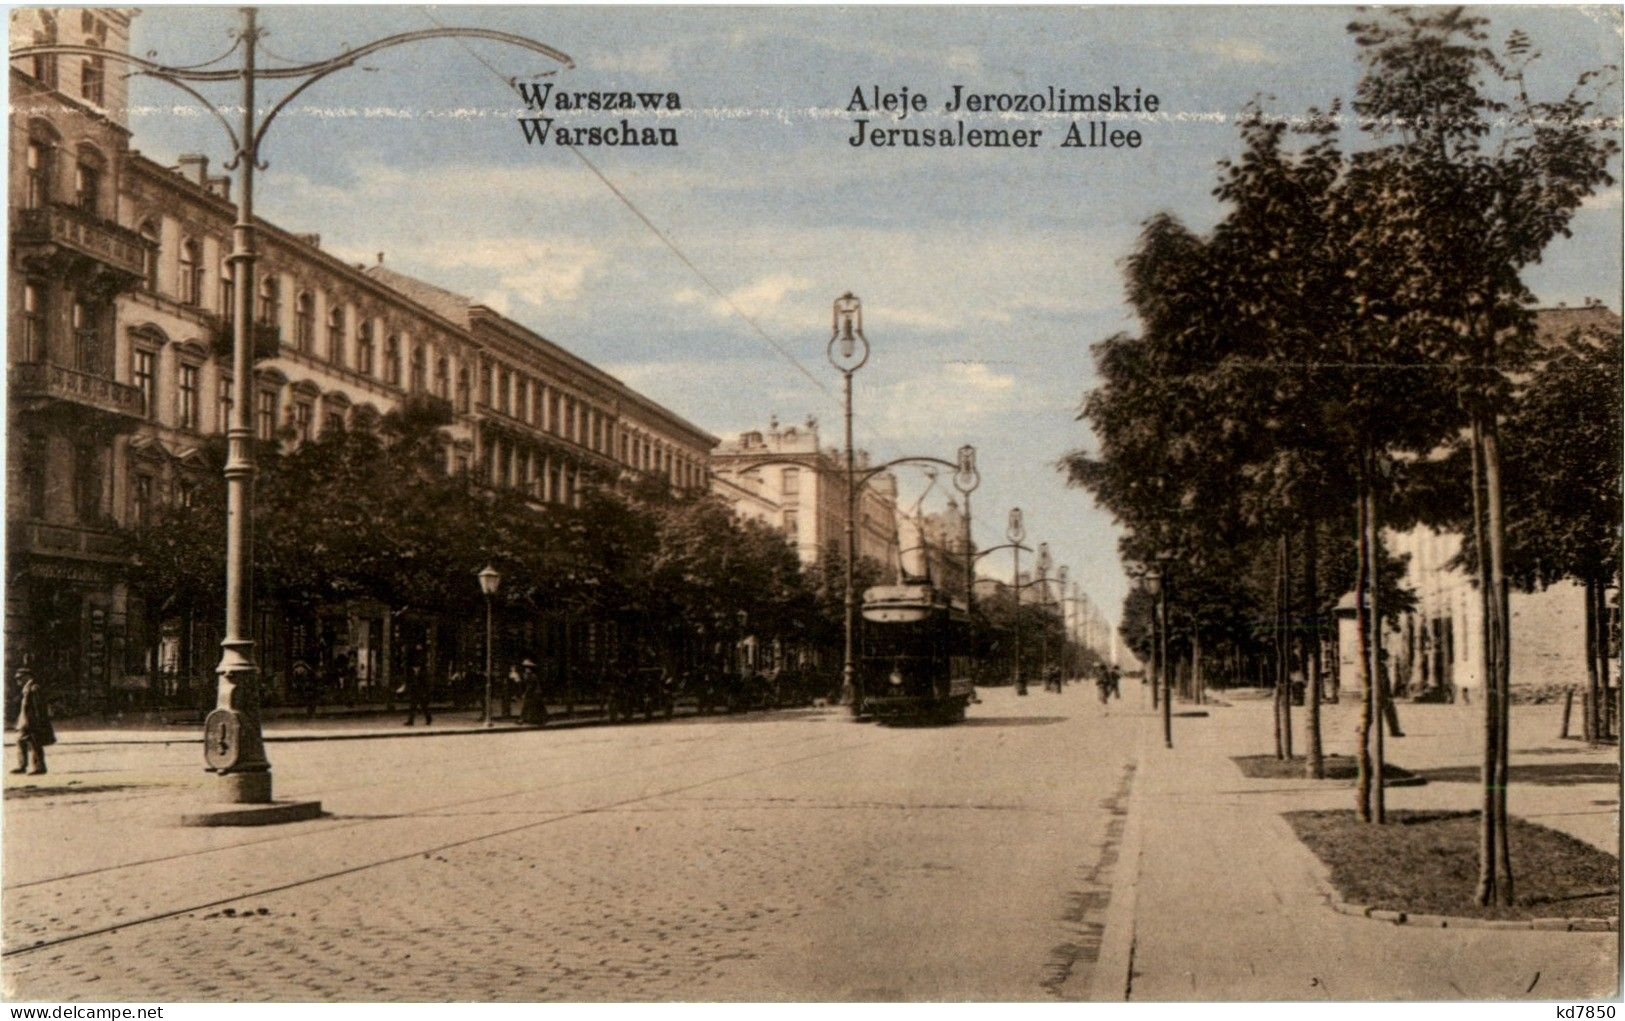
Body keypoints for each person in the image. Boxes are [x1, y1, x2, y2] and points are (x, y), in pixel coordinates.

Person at [12, 668, 53, 775]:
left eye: (20, 678)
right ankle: (22, 766)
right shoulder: (26, 688)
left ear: (27, 677)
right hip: (24, 721)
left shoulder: (34, 688)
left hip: (32, 722)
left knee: (35, 744)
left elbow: (39, 707)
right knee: (20, 742)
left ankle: (39, 768)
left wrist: (39, 722)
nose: (18, 681)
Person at [519, 659, 548, 725]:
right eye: (525, 668)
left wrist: (525, 694)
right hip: (535, 693)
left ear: (530, 669)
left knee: (530, 705)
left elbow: (530, 687)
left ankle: (522, 719)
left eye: (527, 668)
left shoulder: (532, 676)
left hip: (535, 693)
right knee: (538, 706)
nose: (526, 669)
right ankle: (542, 719)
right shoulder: (530, 676)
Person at [404, 661, 432, 726]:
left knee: (423, 706)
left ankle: (428, 718)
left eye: (416, 667)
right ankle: (411, 721)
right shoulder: (412, 673)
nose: (415, 669)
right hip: (415, 691)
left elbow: (426, 683)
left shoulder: (423, 673)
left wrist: (425, 692)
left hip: (421, 692)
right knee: (413, 706)